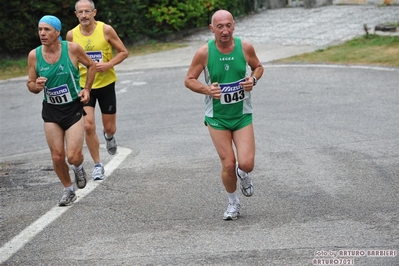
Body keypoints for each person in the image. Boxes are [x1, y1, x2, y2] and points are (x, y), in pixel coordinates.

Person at [184, 10, 264, 220]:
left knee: (245, 163)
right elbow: (189, 79)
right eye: (220, 27)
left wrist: (253, 80)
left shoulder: (245, 47)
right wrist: (207, 89)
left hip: (242, 115)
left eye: (228, 25)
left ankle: (243, 174)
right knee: (228, 163)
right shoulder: (204, 52)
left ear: (234, 26)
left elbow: (258, 67)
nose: (225, 30)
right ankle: (233, 203)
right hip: (217, 118)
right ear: (212, 29)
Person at [27, 15, 96, 206]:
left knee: (73, 156)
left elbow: (91, 66)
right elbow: (30, 84)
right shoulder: (34, 55)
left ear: (57, 32)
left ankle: (78, 167)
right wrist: (36, 86)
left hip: (73, 107)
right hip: (51, 110)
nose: (42, 33)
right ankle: (68, 190)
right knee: (57, 156)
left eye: (47, 29)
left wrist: (87, 89)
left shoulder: (72, 49)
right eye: (40, 29)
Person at [66, 0, 128, 181]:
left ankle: (109, 136)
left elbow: (123, 52)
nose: (84, 15)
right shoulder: (71, 35)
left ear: (94, 12)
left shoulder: (106, 30)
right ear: (76, 14)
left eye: (87, 11)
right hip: (85, 87)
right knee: (88, 125)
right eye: (80, 12)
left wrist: (108, 64)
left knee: (109, 127)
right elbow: (69, 59)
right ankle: (97, 165)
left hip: (106, 84)